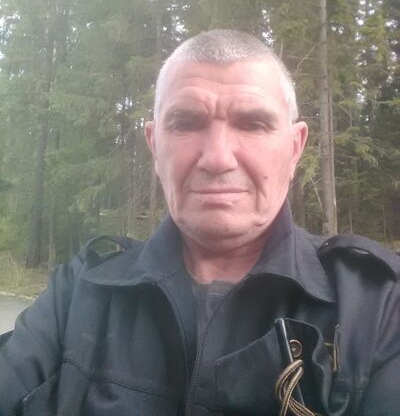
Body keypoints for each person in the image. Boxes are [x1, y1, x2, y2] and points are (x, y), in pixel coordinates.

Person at [0, 29, 399, 416]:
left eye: (253, 124)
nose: (218, 158)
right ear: (155, 145)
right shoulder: (79, 292)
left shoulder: (378, 306)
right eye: (186, 123)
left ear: (295, 148)